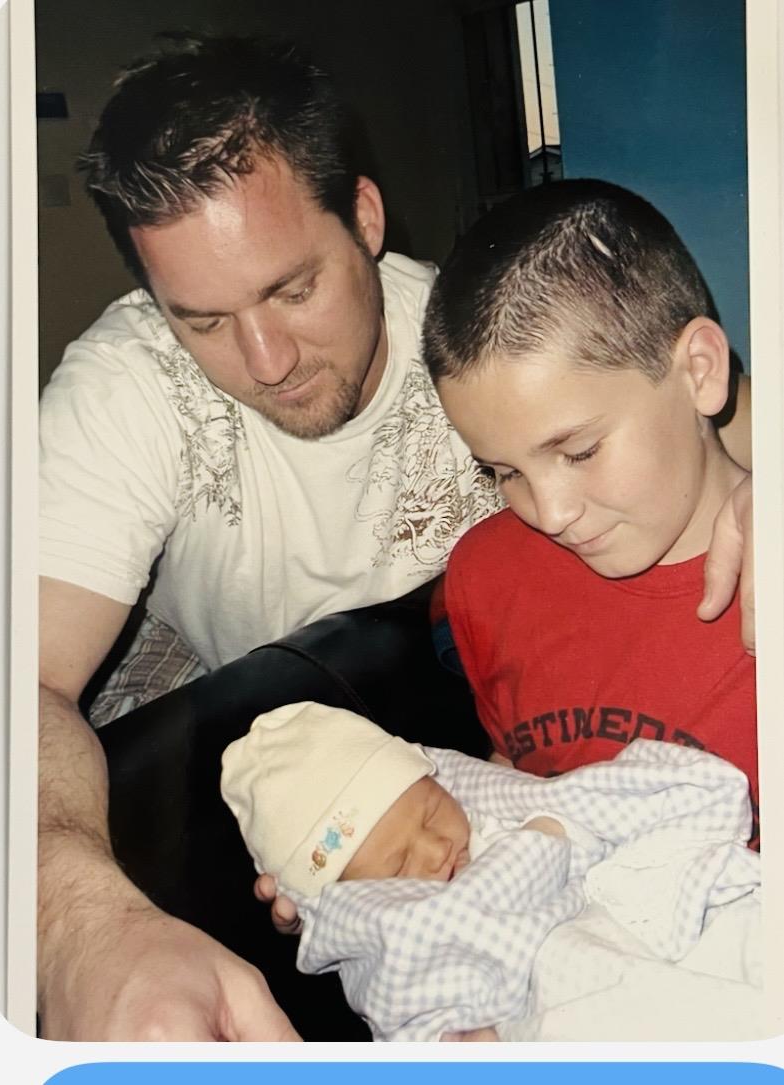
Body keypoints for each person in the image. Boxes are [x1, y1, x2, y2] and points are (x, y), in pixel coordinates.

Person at [38, 31, 753, 1041]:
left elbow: (698, 400)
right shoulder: (125, 389)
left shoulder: (478, 349)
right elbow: (16, 685)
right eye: (202, 320)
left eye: (293, 288)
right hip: (241, 727)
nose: (266, 359)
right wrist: (80, 930)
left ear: (366, 217)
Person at [422, 179, 759, 845]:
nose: (549, 514)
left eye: (578, 451)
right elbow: (514, 787)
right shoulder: (485, 577)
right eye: (504, 471)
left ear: (698, 370)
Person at [223, 702, 760, 1042]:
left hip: (632, 910)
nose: (436, 849)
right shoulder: (393, 927)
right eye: (399, 863)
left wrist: (555, 829)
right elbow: (403, 985)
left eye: (431, 813)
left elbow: (576, 809)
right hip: (548, 990)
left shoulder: (487, 812)